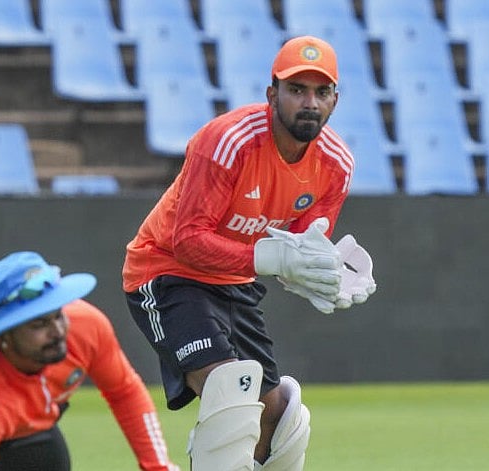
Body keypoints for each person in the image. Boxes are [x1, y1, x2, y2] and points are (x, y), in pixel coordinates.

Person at [122, 35, 377, 471]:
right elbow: (188, 239)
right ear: (272, 94)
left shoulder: (336, 164)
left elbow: (299, 247)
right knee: (231, 393)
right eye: (297, 90)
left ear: (335, 100)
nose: (310, 103)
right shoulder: (226, 141)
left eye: (322, 92)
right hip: (165, 273)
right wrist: (274, 260)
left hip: (235, 284)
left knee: (280, 417)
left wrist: (327, 273)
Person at [0, 251, 180, 471]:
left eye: (57, 314)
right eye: (39, 324)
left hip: (23, 421)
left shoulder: (86, 326)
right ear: (4, 336)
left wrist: (158, 467)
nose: (58, 331)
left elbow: (124, 392)